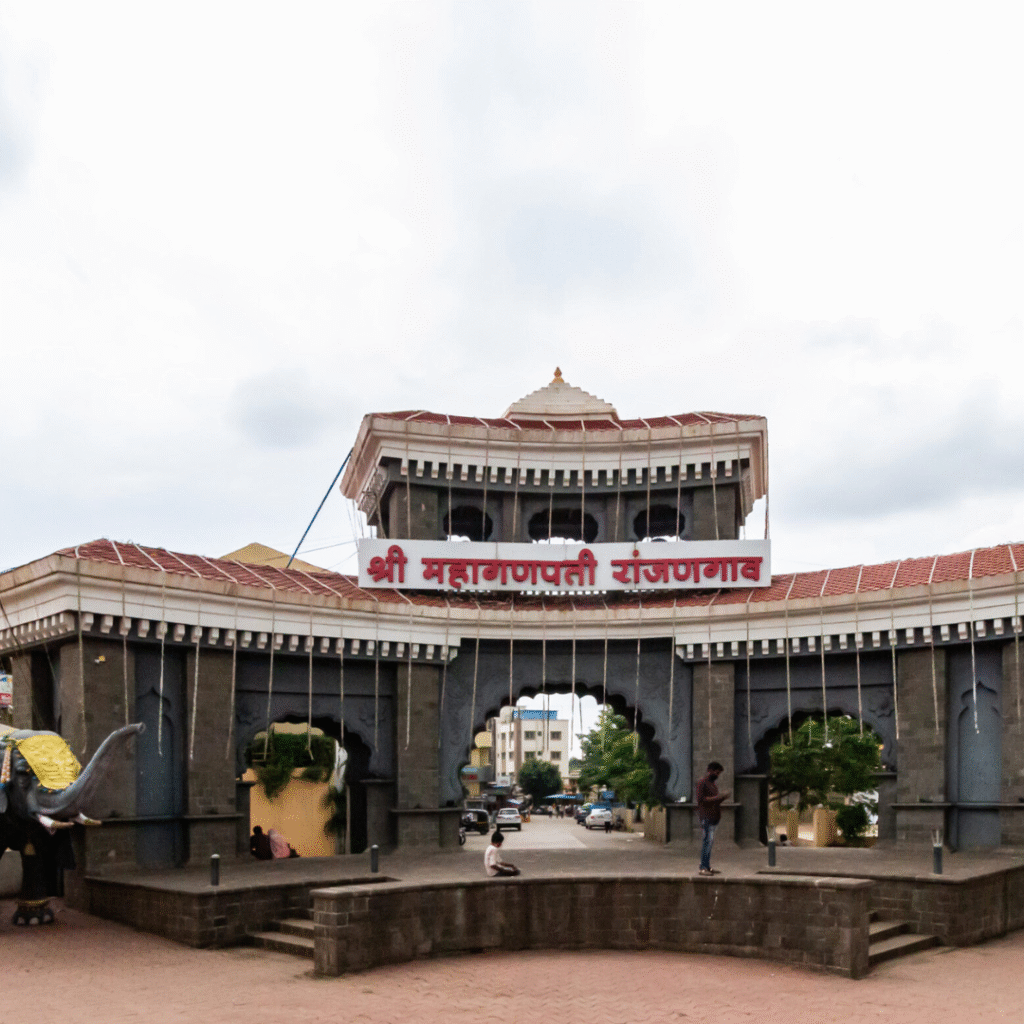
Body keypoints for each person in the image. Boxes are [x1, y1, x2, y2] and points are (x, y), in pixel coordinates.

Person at [696, 760, 729, 876]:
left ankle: (707, 866)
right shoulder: (702, 783)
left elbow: (715, 801)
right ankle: (703, 868)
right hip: (706, 817)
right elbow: (701, 800)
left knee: (709, 843)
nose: (717, 775)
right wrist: (718, 797)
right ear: (710, 771)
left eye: (719, 773)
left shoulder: (713, 784)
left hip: (714, 817)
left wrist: (722, 797)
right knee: (707, 842)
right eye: (716, 772)